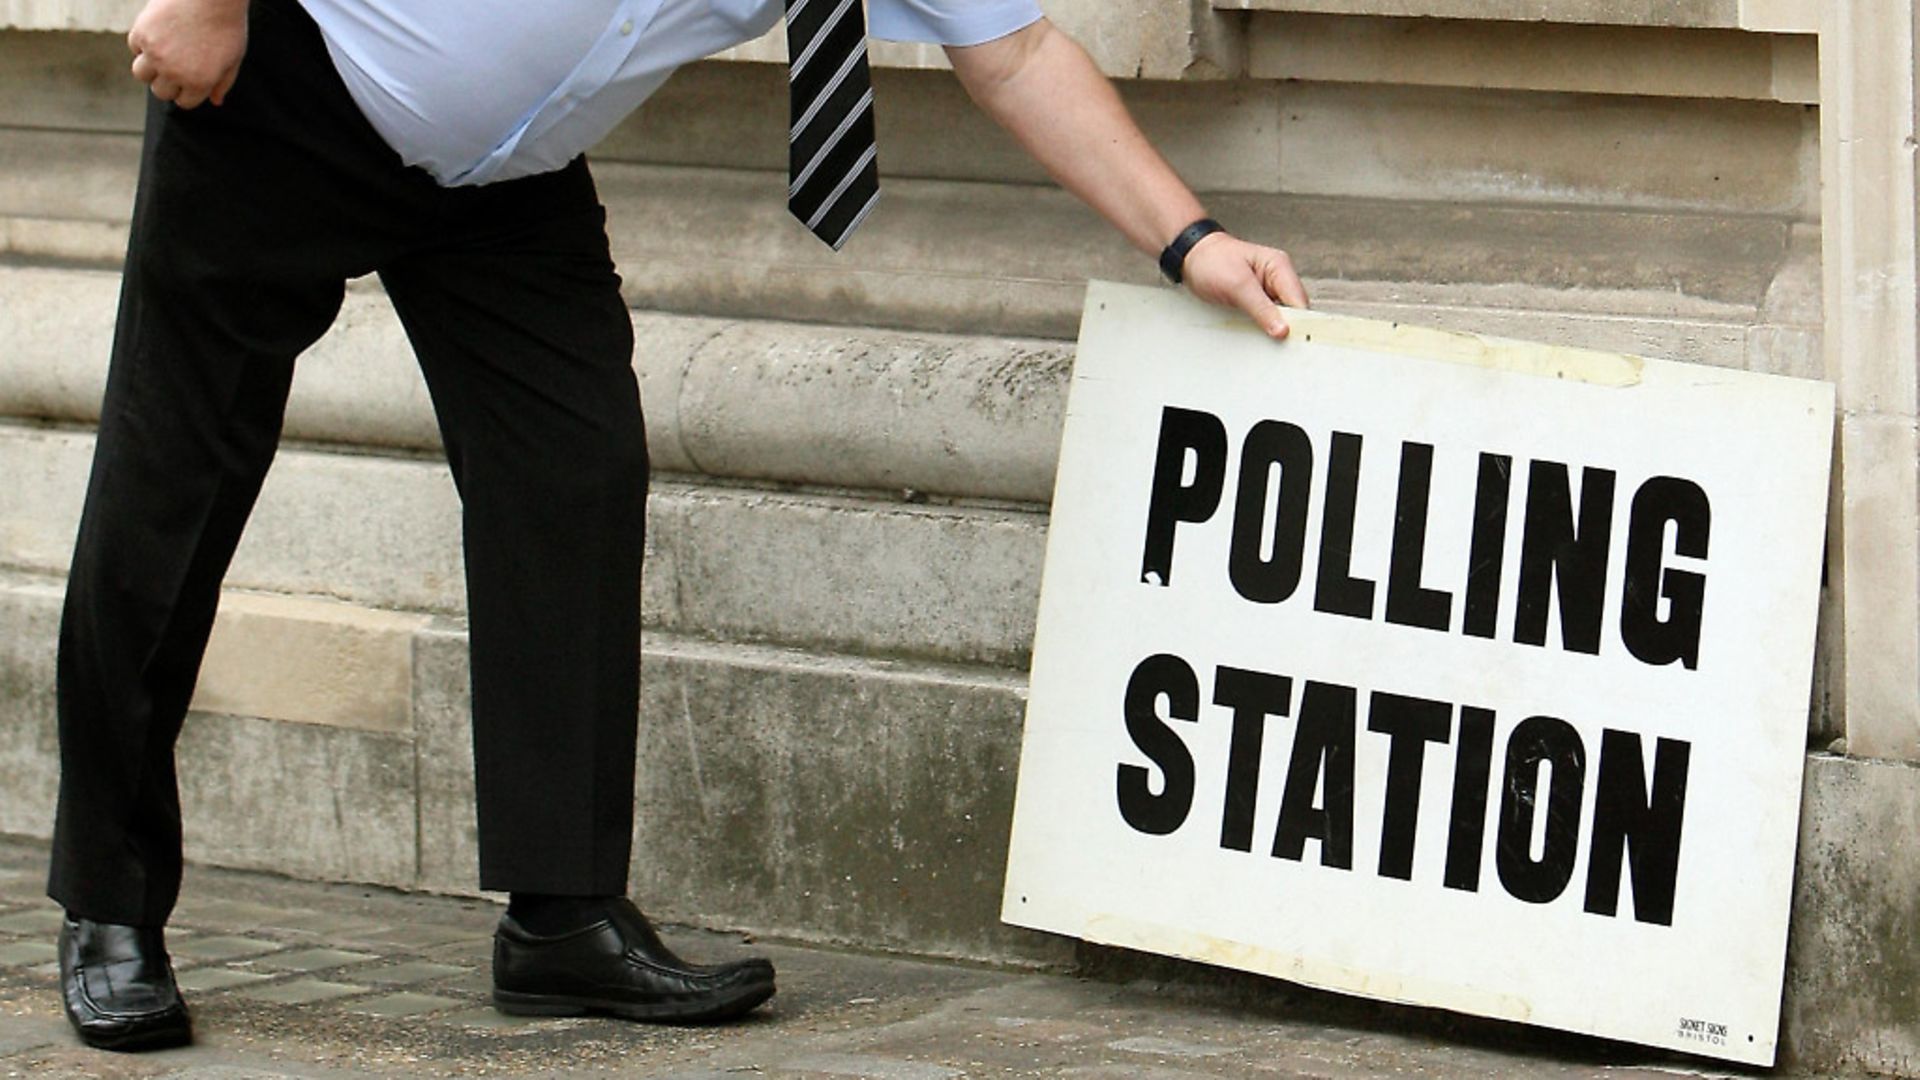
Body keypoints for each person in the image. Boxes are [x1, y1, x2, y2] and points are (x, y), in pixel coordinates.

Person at [47, 0, 1313, 1053]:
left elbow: (1018, 54)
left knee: (578, 478)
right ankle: (110, 904)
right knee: (175, 496)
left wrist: (1187, 239)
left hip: (508, 179)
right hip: (292, 95)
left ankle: (560, 920)